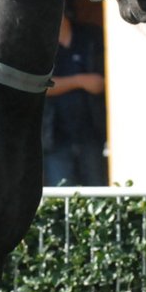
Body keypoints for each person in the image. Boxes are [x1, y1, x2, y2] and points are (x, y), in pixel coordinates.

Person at [42, 11, 108, 186]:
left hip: (91, 134)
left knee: (98, 197)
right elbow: (41, 85)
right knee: (62, 196)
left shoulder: (90, 37)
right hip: (54, 138)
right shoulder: (41, 42)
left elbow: (101, 81)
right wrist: (80, 81)